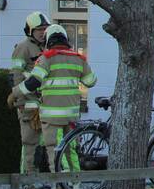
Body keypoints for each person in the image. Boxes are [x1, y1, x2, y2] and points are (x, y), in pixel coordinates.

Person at [15, 24, 97, 172]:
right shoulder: (79, 59)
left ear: (48, 40)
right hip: (71, 115)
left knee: (53, 149)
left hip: (51, 116)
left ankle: (60, 180)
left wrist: (14, 93)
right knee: (71, 148)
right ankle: (75, 181)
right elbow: (91, 81)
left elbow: (32, 83)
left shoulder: (46, 59)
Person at [7, 12, 48, 179]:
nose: (42, 32)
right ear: (30, 31)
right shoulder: (23, 48)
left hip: (44, 103)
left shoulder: (47, 47)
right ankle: (28, 180)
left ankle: (39, 178)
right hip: (28, 104)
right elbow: (15, 76)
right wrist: (20, 102)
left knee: (43, 145)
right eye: (39, 29)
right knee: (30, 143)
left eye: (45, 29)